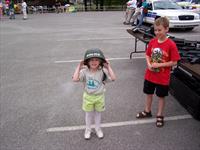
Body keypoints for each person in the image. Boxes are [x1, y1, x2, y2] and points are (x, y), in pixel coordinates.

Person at [136, 17, 180, 127]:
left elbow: (174, 62)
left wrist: (160, 65)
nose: (157, 32)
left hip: (162, 77)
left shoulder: (171, 44)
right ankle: (147, 111)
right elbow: (147, 55)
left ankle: (160, 115)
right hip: (150, 75)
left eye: (159, 30)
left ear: (166, 29)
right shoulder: (152, 41)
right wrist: (149, 64)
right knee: (149, 94)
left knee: (161, 96)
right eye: (155, 30)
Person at [72, 48, 116, 139]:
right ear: (87, 62)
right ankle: (88, 129)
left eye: (96, 60)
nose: (94, 62)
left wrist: (108, 67)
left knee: (98, 114)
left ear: (100, 61)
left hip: (99, 96)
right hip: (88, 97)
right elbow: (75, 79)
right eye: (91, 60)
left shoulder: (103, 71)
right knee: (88, 114)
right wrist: (79, 66)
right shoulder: (84, 72)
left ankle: (98, 129)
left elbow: (113, 78)